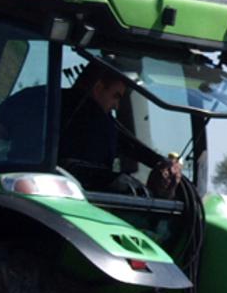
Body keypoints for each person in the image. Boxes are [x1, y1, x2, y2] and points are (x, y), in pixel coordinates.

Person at [57, 64, 182, 197]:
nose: (116, 106)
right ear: (98, 88)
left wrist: (161, 163)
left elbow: (131, 145)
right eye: (116, 96)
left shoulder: (104, 122)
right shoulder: (89, 119)